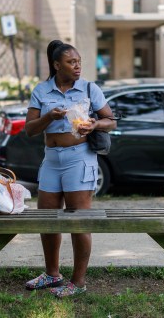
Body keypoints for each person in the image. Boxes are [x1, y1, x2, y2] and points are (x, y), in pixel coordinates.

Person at [24, 40, 116, 298]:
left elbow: (111, 121)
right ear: (56, 65)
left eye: (78, 62)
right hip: (51, 159)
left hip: (80, 158)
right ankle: (52, 275)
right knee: (47, 220)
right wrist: (47, 117)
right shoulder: (42, 91)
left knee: (79, 221)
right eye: (71, 62)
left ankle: (78, 281)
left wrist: (94, 125)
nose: (77, 66)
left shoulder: (88, 87)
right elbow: (29, 129)